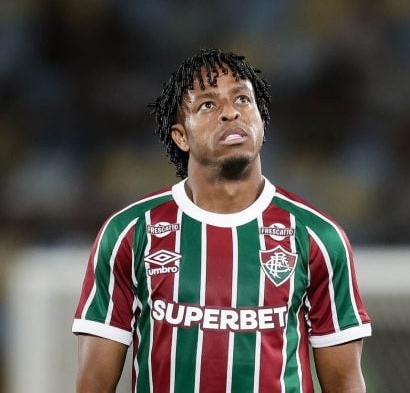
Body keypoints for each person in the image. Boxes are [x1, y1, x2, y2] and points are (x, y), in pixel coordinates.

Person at [72, 48, 372, 393]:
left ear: (262, 122)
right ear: (181, 137)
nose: (231, 112)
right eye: (207, 105)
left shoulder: (317, 237)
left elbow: (344, 382)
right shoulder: (130, 233)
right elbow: (94, 384)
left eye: (243, 99)